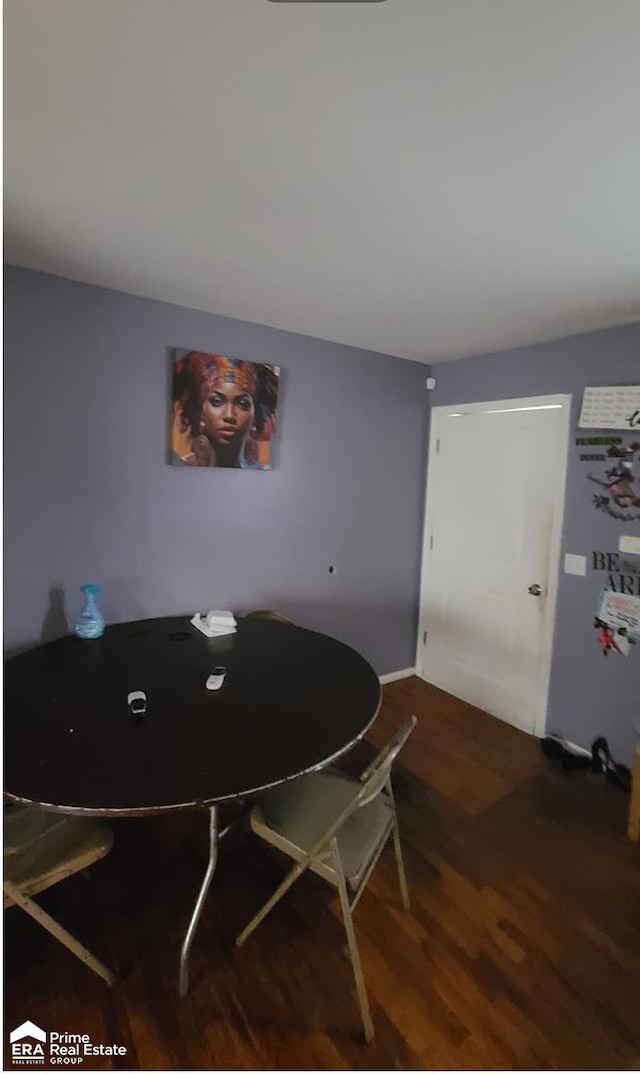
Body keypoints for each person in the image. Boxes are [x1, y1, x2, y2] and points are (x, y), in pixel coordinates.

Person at [171, 352, 277, 468]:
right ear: (201, 414)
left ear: (254, 416)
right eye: (217, 402)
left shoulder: (263, 470)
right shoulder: (182, 467)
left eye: (242, 404)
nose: (229, 415)